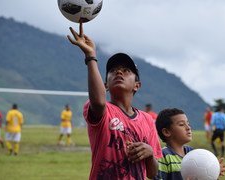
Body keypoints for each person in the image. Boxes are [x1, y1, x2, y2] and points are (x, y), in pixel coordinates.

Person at [67, 22, 162, 179]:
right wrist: (91, 56)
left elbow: (152, 173)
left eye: (126, 71)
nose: (119, 72)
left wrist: (150, 154)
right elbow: (98, 102)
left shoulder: (147, 120)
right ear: (105, 85)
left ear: (137, 85)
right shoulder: (103, 111)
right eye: (112, 71)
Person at [155, 108, 225, 179]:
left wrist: (213, 173)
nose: (188, 127)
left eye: (188, 124)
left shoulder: (193, 153)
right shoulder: (163, 156)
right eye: (181, 124)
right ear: (166, 132)